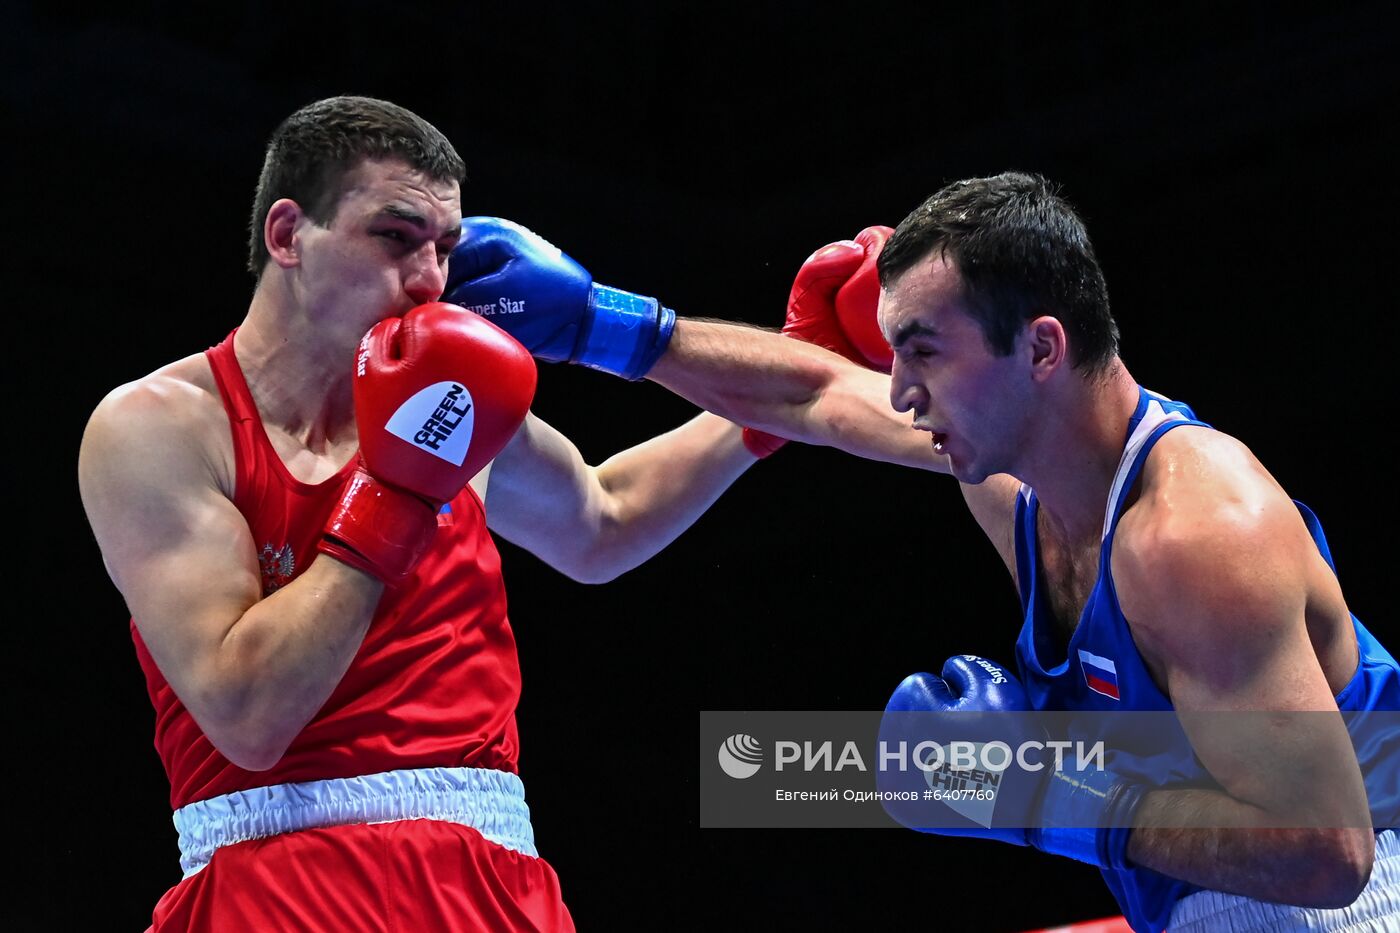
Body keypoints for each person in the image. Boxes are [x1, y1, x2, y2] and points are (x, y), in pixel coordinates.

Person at [444, 171, 1400, 931]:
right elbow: (814, 398)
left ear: (1040, 348)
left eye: (923, 352)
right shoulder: (1013, 473)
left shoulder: (1198, 531)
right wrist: (602, 326)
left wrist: (1033, 782)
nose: (898, 393)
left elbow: (1324, 850)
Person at [76, 94, 843, 932]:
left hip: (487, 877)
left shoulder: (447, 397)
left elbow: (603, 517)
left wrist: (761, 411)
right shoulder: (159, 426)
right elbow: (248, 715)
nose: (429, 281)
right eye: (396, 237)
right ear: (288, 233)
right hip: (274, 885)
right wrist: (396, 488)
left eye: (444, 248)